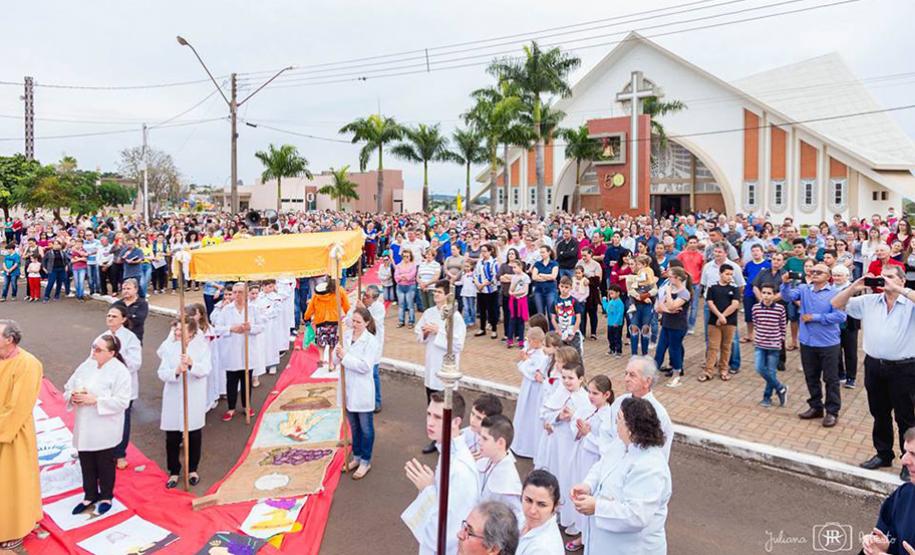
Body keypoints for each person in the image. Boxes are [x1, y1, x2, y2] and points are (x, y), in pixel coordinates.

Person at [832, 265, 915, 480]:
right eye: (882, 277)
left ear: (901, 281)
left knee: (905, 417)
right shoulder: (869, 302)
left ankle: (909, 460)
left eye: (890, 277)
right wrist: (855, 286)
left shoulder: (909, 303)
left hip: (903, 369)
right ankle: (883, 453)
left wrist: (899, 290)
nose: (884, 280)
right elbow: (836, 304)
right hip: (874, 366)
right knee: (879, 413)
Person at [571, 397, 672, 555]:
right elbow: (602, 465)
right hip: (606, 544)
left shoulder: (650, 466)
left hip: (632, 548)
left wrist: (597, 507)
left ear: (631, 428)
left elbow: (637, 515)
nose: (615, 425)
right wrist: (588, 485)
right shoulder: (621, 443)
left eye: (618, 419)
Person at [63, 334, 132, 517]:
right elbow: (69, 386)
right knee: (86, 460)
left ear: (112, 353)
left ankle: (107, 496)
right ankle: (90, 495)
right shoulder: (87, 365)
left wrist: (95, 400)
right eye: (94, 347)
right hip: (85, 423)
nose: (94, 351)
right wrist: (73, 396)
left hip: (105, 425)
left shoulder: (120, 372)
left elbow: (122, 401)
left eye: (99, 349)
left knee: (104, 463)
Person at [405, 391, 480, 555]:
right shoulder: (447, 450)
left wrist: (428, 490)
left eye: (438, 417)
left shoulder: (460, 470)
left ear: (456, 422)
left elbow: (446, 533)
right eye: (428, 414)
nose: (430, 422)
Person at [781, 263, 846, 428]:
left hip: (828, 343)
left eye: (819, 272)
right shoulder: (804, 289)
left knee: (831, 379)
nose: (815, 273)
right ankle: (816, 406)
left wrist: (815, 317)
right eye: (813, 271)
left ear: (828, 275)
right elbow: (787, 297)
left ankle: (832, 411)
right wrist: (786, 283)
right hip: (807, 341)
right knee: (811, 376)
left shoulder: (836, 293)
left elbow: (840, 316)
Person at [0, 320, 43, 553]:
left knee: (11, 484)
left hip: (12, 434)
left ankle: (13, 532)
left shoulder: (28, 364)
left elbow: (18, 407)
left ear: (10, 339)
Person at [156, 316, 211, 488]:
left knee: (193, 435)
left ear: (193, 332)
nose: (178, 333)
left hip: (193, 395)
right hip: (173, 395)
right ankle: (173, 471)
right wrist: (177, 371)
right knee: (172, 437)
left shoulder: (201, 347)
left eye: (182, 330)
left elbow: (206, 369)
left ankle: (192, 469)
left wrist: (192, 364)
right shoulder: (169, 347)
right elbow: (162, 372)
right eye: (176, 329)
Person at [563, 375, 614, 551]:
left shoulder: (609, 416)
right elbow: (575, 427)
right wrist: (578, 429)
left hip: (594, 461)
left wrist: (587, 434)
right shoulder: (588, 408)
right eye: (590, 392)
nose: (591, 396)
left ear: (607, 395)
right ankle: (582, 531)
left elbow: (607, 445)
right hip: (581, 456)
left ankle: (586, 537)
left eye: (596, 393)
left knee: (589, 497)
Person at [416, 280, 466, 454]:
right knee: (432, 405)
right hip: (431, 364)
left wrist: (439, 331)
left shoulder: (455, 316)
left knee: (446, 408)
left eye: (438, 292)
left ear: (447, 295)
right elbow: (418, 332)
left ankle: (449, 439)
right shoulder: (429, 312)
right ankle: (435, 438)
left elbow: (458, 344)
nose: (435, 294)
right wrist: (424, 332)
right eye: (434, 292)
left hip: (446, 368)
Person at [336, 306, 381, 479]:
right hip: (347, 387)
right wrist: (337, 352)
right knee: (353, 426)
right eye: (353, 321)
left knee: (366, 427)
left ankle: (365, 461)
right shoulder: (346, 336)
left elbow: (364, 366)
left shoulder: (371, 341)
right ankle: (356, 456)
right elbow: (336, 358)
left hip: (362, 390)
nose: (354, 325)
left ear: (367, 323)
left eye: (358, 322)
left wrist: (345, 356)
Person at [599, 356, 673, 460]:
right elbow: (606, 431)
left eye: (632, 375)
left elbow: (660, 452)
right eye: (626, 374)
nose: (626, 379)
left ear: (647, 381)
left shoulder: (658, 413)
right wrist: (610, 455)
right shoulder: (619, 402)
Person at [96, 304, 142, 470]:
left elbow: (136, 363)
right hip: (105, 385)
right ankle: (106, 451)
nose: (110, 318)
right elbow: (93, 359)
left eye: (114, 316)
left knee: (123, 420)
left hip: (124, 384)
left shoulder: (131, 338)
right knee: (106, 418)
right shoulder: (101, 337)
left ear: (123, 319)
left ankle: (120, 453)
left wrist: (116, 359)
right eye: (108, 315)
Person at [212, 282, 264, 421]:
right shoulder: (226, 309)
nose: (236, 295)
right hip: (231, 350)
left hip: (247, 349)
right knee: (231, 380)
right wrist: (231, 328)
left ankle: (246, 405)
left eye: (240, 292)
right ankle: (231, 407)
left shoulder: (253, 309)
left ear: (246, 294)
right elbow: (217, 328)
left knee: (246, 379)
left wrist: (250, 327)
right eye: (234, 292)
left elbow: (261, 327)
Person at [860, 427, 915, 555]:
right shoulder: (904, 495)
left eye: (913, 454)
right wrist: (881, 548)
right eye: (906, 452)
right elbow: (888, 534)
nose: (904, 460)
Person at [512, 328, 550, 459]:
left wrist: (526, 360)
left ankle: (528, 447)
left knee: (531, 416)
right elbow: (518, 362)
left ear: (535, 341)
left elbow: (533, 373)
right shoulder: (531, 350)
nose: (527, 342)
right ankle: (518, 443)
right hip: (527, 388)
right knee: (523, 413)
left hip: (535, 390)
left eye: (529, 340)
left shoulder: (541, 356)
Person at [476, 415, 523, 522]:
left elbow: (517, 516)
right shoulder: (487, 460)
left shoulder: (508, 483)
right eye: (480, 436)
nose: (479, 441)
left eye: (485, 438)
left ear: (500, 443)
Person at [752, 284, 789, 408]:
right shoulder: (756, 308)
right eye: (764, 293)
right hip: (760, 343)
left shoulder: (780, 309)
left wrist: (780, 340)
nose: (766, 296)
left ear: (774, 295)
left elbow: (783, 326)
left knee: (771, 371)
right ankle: (780, 387)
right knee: (759, 367)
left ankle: (767, 397)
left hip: (774, 344)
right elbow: (756, 323)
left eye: (769, 293)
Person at [701, 263, 740, 382]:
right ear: (720, 274)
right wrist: (718, 315)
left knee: (726, 347)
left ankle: (724, 369)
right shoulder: (712, 288)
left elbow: (735, 304)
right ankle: (708, 371)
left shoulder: (734, 289)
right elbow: (710, 303)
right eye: (727, 274)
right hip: (714, 322)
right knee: (713, 347)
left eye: (731, 275)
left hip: (730, 322)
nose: (729, 277)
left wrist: (723, 316)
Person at [654, 267, 690, 386]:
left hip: (678, 326)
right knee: (660, 349)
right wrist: (668, 310)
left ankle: (676, 375)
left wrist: (668, 293)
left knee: (674, 350)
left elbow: (672, 305)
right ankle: (652, 373)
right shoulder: (669, 290)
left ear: (678, 278)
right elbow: (659, 307)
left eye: (670, 277)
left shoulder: (684, 293)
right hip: (666, 323)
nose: (668, 279)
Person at [304, 279, 350, 373]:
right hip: (334, 320)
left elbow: (310, 307)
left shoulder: (318, 293)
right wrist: (348, 314)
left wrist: (306, 317)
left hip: (320, 321)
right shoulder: (340, 291)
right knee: (332, 344)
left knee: (321, 342)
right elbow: (346, 306)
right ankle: (331, 364)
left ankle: (321, 357)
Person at [516, 470, 565, 555]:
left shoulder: (543, 550)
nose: (532, 510)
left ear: (555, 506)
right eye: (528, 500)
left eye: (542, 505)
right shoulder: (522, 517)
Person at [462, 394, 504, 458]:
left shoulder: (497, 445)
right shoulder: (463, 435)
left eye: (479, 418)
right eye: (472, 414)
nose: (472, 420)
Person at [474, 244, 501, 339]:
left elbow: (494, 277)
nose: (483, 253)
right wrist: (477, 284)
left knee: (491, 310)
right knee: (481, 310)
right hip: (480, 290)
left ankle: (494, 329)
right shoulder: (479, 262)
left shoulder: (494, 262)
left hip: (490, 290)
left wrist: (483, 284)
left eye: (485, 251)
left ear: (490, 251)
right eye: (482, 251)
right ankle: (482, 328)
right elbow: (475, 274)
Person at [113, 278, 149, 343]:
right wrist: (128, 316)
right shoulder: (117, 304)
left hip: (135, 338)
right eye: (124, 289)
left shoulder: (142, 304)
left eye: (128, 289)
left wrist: (119, 319)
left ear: (136, 290)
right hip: (118, 338)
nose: (126, 291)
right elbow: (111, 319)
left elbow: (138, 320)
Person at [506, 259, 531, 348]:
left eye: (515, 267)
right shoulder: (514, 277)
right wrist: (511, 292)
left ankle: (521, 340)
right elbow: (511, 289)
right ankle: (510, 340)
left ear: (520, 267)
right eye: (512, 267)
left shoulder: (525, 277)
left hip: (521, 300)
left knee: (521, 321)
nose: (513, 269)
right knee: (512, 320)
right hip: (514, 300)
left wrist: (514, 293)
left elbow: (525, 290)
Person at [531, 246, 559, 317]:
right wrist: (547, 277)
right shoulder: (537, 263)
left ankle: (552, 328)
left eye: (543, 252)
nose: (541, 254)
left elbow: (553, 276)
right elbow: (534, 277)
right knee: (540, 313)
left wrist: (541, 275)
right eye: (541, 252)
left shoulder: (554, 263)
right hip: (539, 290)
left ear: (549, 252)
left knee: (551, 313)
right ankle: (542, 328)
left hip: (551, 290)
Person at [395, 249, 419, 328]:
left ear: (410, 257)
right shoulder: (398, 265)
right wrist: (403, 276)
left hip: (410, 286)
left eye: (407, 256)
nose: (406, 258)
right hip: (400, 286)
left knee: (410, 305)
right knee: (401, 305)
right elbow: (396, 276)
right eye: (404, 256)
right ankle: (401, 321)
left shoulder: (413, 265)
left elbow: (412, 275)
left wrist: (403, 276)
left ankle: (411, 321)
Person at [601, 285, 625, 357]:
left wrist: (617, 322)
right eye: (610, 294)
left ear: (618, 293)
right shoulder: (611, 301)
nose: (611, 295)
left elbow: (620, 313)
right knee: (610, 337)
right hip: (610, 323)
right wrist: (604, 301)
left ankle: (618, 351)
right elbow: (607, 309)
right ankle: (612, 349)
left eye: (612, 293)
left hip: (617, 324)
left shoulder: (620, 303)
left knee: (617, 337)